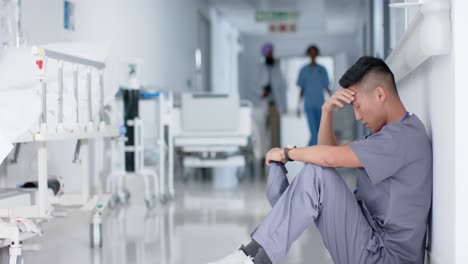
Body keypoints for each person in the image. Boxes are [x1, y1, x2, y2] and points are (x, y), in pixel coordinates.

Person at [208, 56, 433, 264]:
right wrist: (327, 111)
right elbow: (328, 155)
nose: (357, 116)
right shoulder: (392, 134)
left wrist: (288, 153)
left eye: (357, 106)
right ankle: (252, 254)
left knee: (317, 173)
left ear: (380, 94)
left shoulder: (401, 138)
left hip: (385, 256)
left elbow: (329, 158)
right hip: (371, 241)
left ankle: (253, 259)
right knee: (316, 174)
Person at [252, 42, 287, 173]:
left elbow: (283, 86)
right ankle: (262, 158)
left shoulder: (277, 68)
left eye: (271, 52)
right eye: (268, 52)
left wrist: (283, 105)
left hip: (275, 105)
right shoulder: (259, 68)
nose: (270, 54)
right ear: (264, 54)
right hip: (262, 104)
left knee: (275, 133)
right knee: (261, 133)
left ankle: (276, 158)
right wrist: (262, 92)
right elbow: (253, 85)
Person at [297, 45, 331, 146]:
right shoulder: (303, 70)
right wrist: (298, 106)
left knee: (320, 131)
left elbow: (326, 87)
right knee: (314, 131)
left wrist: (334, 99)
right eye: (310, 52)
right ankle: (314, 155)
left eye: (314, 52)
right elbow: (301, 89)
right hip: (309, 105)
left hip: (320, 104)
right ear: (308, 54)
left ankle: (311, 152)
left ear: (317, 53)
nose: (312, 54)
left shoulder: (322, 69)